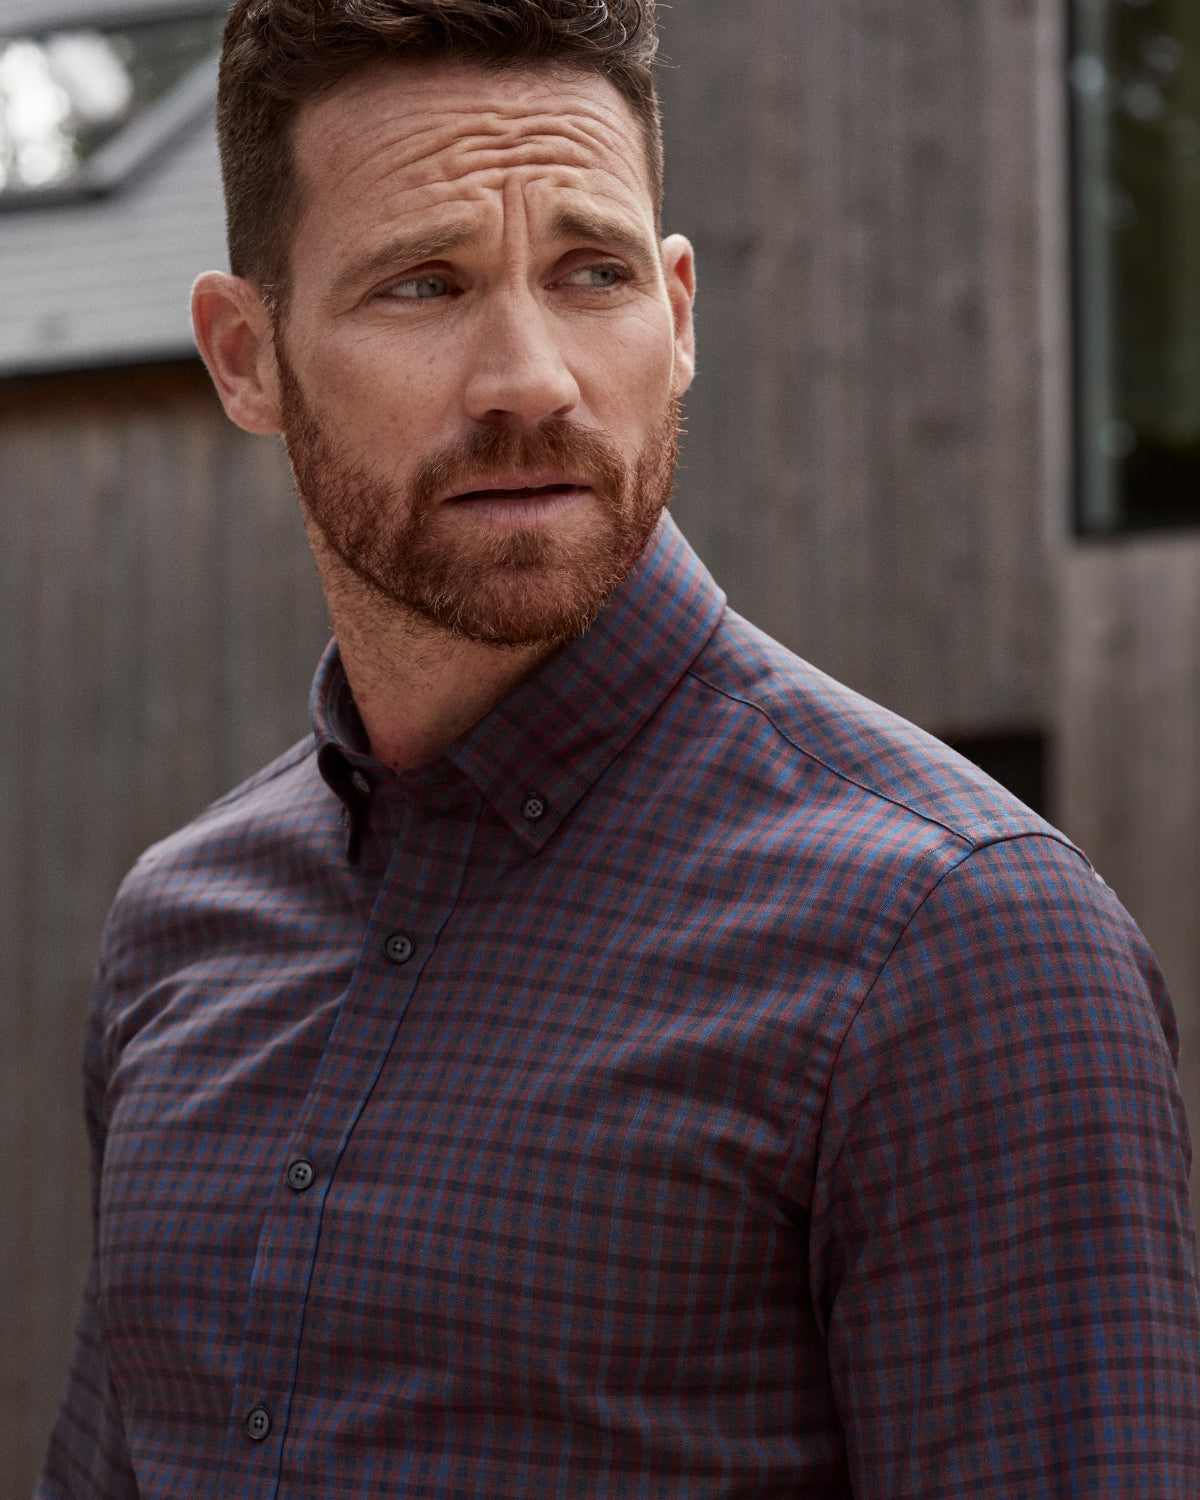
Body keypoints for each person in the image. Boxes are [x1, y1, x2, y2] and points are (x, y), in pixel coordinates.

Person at [39, 0, 1200, 1495]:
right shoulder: (178, 937)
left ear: (682, 314)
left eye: (590, 273)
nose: (530, 377)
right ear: (243, 356)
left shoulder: (958, 946)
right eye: (423, 284)